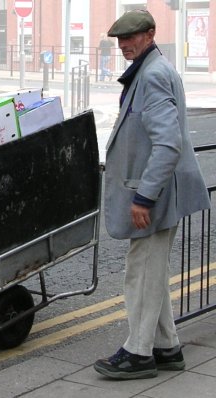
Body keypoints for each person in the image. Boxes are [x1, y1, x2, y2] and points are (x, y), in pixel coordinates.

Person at [94, 10, 211, 380]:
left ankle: (138, 353)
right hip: (156, 190)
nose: (124, 46)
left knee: (140, 273)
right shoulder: (151, 69)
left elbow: (167, 144)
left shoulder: (155, 74)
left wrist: (143, 198)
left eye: (131, 38)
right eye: (119, 40)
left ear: (150, 34)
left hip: (154, 194)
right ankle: (167, 347)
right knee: (151, 272)